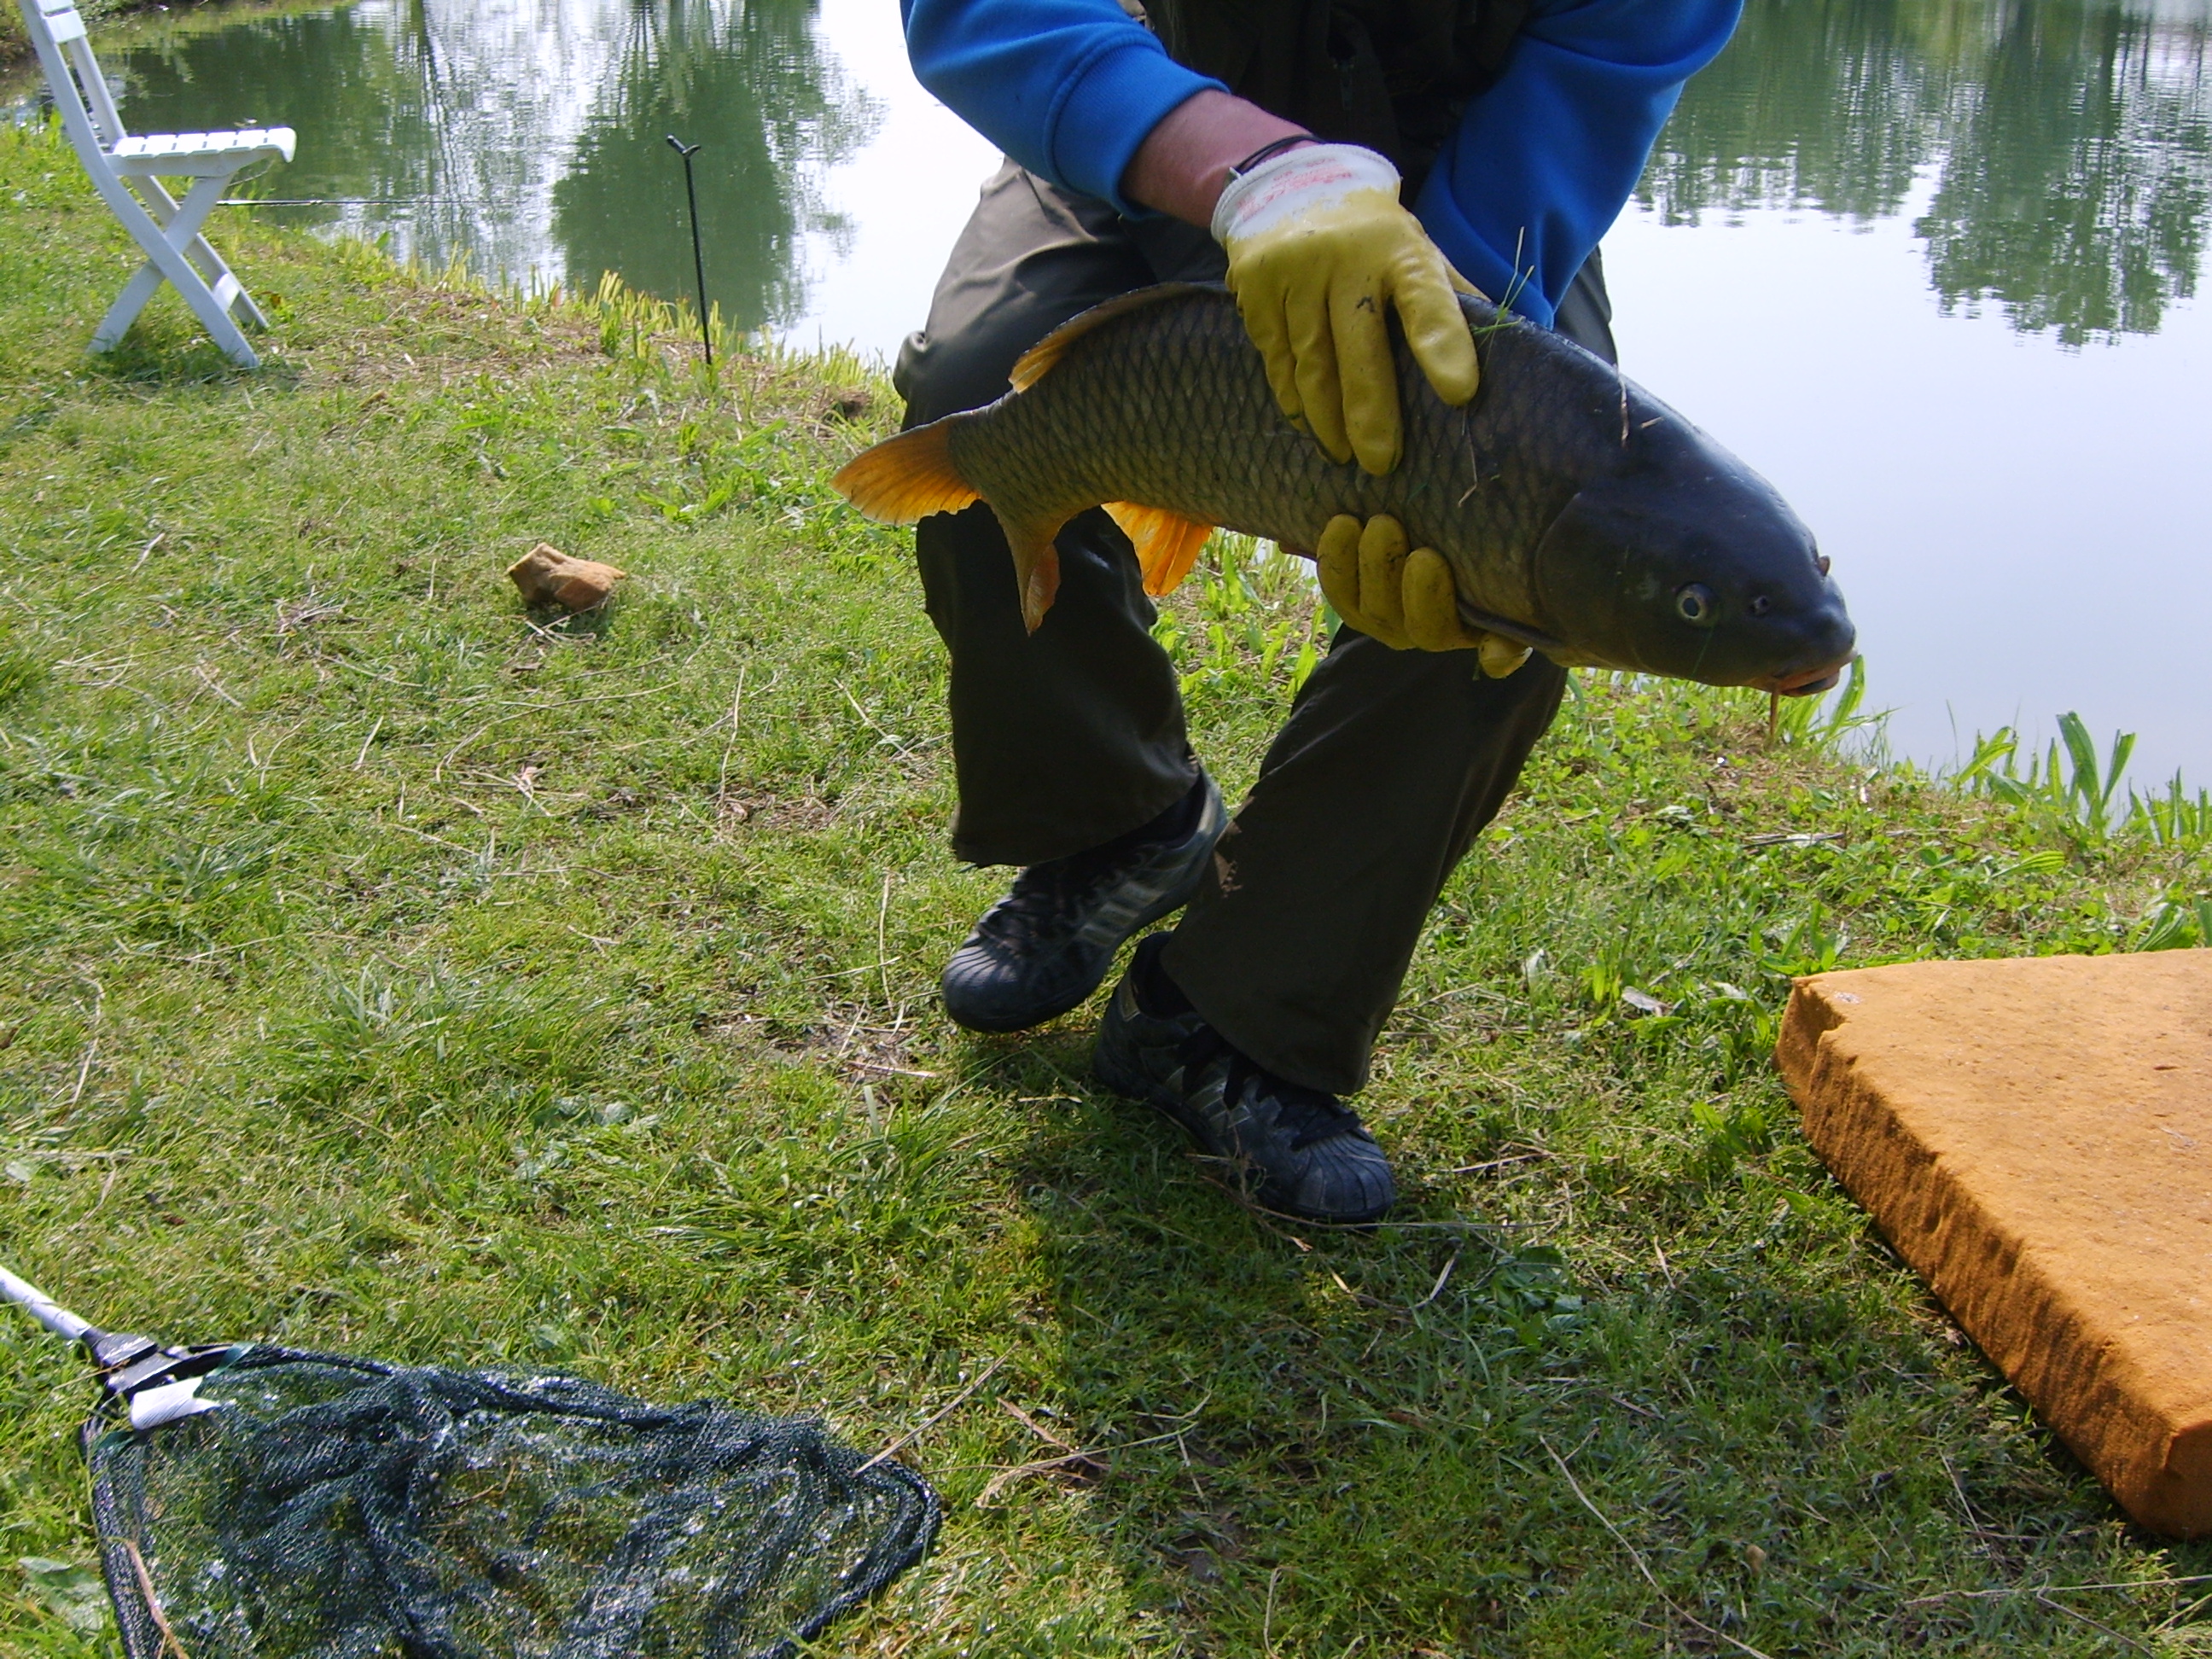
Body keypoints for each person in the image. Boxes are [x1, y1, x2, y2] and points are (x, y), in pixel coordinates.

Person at [894, 0, 1743, 1223]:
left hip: (1474, 169)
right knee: (983, 397)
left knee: (1512, 555)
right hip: (1152, 97)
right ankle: (1120, 822)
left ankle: (1230, 1016)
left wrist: (1414, 362)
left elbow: (1605, 61)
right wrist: (1251, 172)